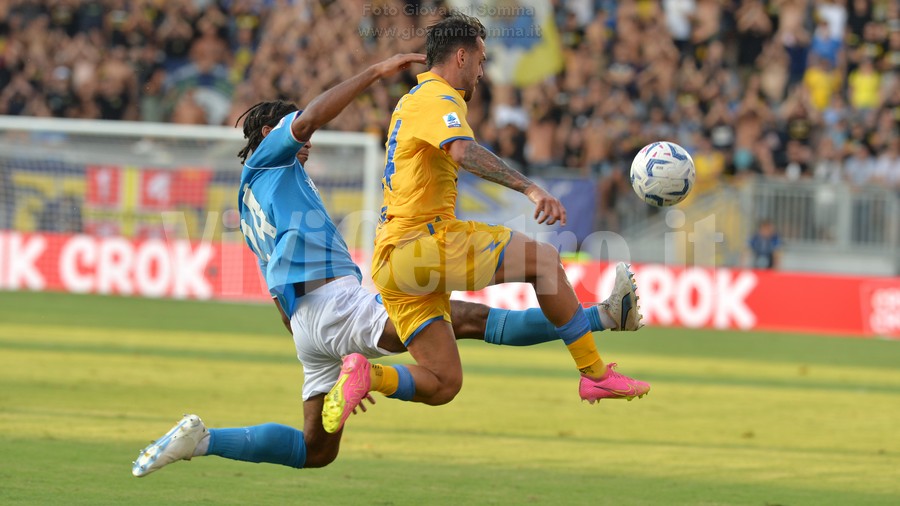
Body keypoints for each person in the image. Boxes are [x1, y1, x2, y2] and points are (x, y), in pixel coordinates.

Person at [132, 53, 632, 477]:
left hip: (304, 325)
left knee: (316, 451)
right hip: (334, 303)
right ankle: (602, 318)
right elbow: (310, 118)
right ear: (270, 132)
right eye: (297, 134)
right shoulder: (272, 159)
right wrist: (375, 72)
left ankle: (202, 440)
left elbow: (274, 283)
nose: (309, 143)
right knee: (462, 324)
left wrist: (311, 337)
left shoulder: (249, 204)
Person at [322, 14, 649, 434]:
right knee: (544, 261)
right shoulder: (437, 97)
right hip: (420, 241)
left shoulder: (411, 101)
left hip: (391, 264)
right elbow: (462, 151)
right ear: (461, 56)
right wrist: (530, 188)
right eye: (480, 60)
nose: (482, 71)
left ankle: (370, 375)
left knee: (443, 382)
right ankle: (595, 374)